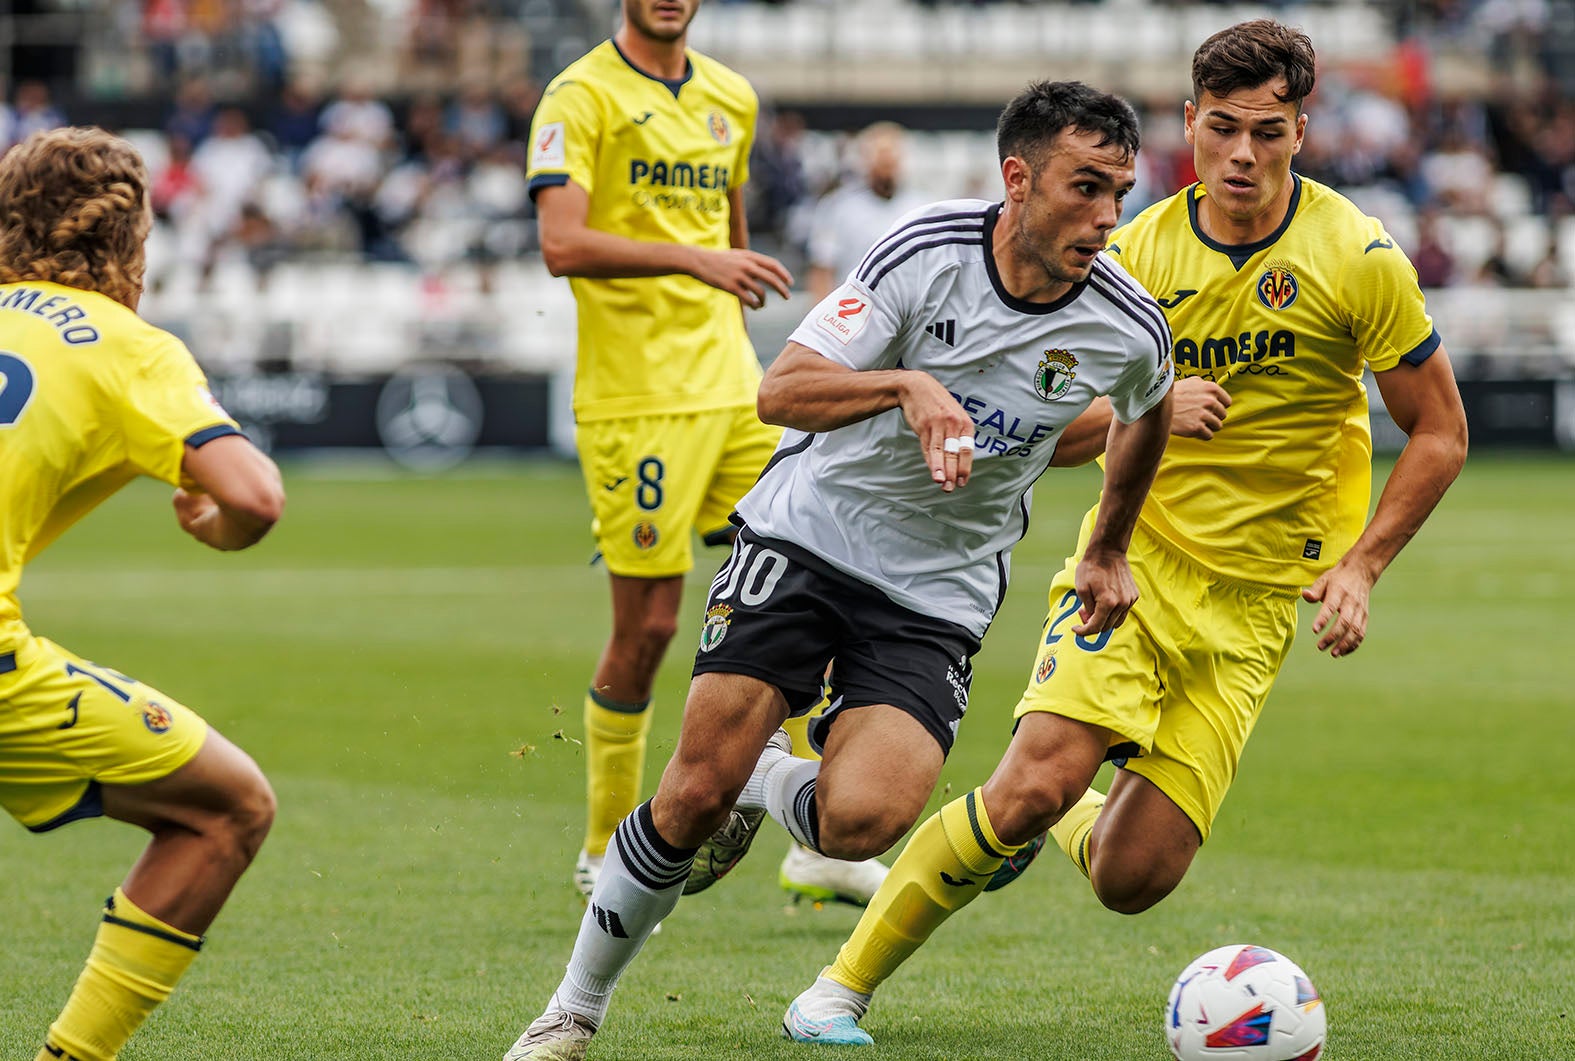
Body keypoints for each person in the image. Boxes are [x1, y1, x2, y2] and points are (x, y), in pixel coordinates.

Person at [781, 19, 1470, 1046]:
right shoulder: (1131, 255)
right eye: (1223, 128)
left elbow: (1440, 433)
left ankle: (1042, 811)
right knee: (1034, 780)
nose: (1243, 154)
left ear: (1302, 131)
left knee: (1130, 877)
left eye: (1269, 132)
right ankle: (837, 986)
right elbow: (1050, 417)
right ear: (1188, 125)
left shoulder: (1356, 255)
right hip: (1132, 567)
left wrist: (1362, 564)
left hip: (1253, 609)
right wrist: (1123, 424)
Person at [504, 78, 1177, 1061]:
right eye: (1086, 188)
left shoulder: (1127, 321)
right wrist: (908, 385)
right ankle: (572, 1008)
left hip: (939, 589)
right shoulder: (925, 252)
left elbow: (1143, 412)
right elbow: (782, 390)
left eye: (1120, 190)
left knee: (858, 822)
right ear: (1019, 179)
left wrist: (1110, 545)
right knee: (690, 792)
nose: (1107, 216)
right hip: (809, 537)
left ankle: (768, 776)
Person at [523, 0, 886, 910]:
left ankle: (819, 835)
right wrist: (697, 262)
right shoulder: (578, 96)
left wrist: (722, 267)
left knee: (819, 581)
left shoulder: (731, 97)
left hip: (732, 390)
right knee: (645, 629)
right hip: (636, 401)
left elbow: (732, 244)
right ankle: (606, 837)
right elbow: (561, 243)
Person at [0, 127, 286, 1061]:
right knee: (228, 807)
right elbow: (253, 493)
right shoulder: (128, 346)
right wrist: (223, 525)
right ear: (131, 243)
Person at [805, 121, 926, 300]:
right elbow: (822, 270)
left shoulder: (922, 208)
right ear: (864, 159)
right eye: (879, 156)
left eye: (891, 156)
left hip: (907, 316)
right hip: (852, 313)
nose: (886, 164)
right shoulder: (838, 207)